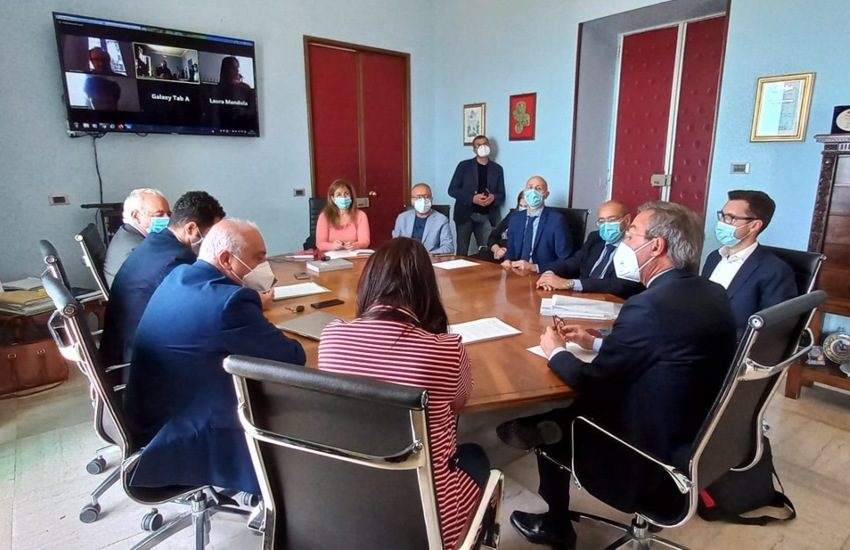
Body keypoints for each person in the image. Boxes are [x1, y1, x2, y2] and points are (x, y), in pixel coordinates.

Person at [497, 201, 737, 549]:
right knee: (562, 415)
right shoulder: (711, 293)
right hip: (698, 436)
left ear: (656, 246)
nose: (624, 240)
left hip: (646, 452)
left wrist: (557, 351)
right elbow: (665, 348)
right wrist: (596, 342)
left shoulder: (648, 305)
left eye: (631, 234)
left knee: (553, 426)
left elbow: (593, 383)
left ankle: (555, 525)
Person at [318, 237, 488, 550]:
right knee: (475, 455)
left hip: (350, 505)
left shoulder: (332, 336)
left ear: (369, 282)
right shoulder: (445, 349)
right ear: (427, 289)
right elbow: (460, 401)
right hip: (431, 524)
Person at [124, 220, 306, 495]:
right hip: (190, 434)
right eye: (258, 258)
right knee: (302, 403)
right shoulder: (230, 303)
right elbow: (292, 358)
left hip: (150, 413)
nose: (264, 265)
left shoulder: (178, 276)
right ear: (226, 259)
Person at [99, 191, 226, 370]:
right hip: (143, 364)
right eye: (212, 234)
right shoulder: (176, 260)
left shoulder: (154, 243)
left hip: (129, 348)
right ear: (190, 228)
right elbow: (205, 309)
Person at [702, 190, 797, 336]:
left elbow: (772, 331)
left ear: (754, 226)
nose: (721, 222)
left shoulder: (775, 271)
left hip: (730, 344)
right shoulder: (714, 257)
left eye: (730, 218)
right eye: (722, 215)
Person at [536, 199, 645, 299]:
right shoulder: (595, 238)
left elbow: (619, 285)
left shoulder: (635, 246)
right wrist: (549, 275)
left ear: (627, 220)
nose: (606, 225)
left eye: (611, 220)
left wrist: (570, 283)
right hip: (583, 297)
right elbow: (571, 264)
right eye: (602, 221)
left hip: (612, 302)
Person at [501, 176, 572, 273]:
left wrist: (535, 267)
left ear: (546, 195)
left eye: (538, 188)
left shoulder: (557, 220)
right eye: (530, 187)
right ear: (525, 192)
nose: (533, 192)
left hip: (542, 274)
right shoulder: (516, 218)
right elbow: (511, 248)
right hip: (516, 272)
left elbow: (564, 259)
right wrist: (507, 260)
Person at [448, 135, 505, 255]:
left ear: (489, 146)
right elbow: (452, 190)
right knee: (462, 251)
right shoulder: (464, 166)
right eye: (478, 145)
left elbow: (501, 194)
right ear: (474, 149)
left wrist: (493, 198)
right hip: (465, 215)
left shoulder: (497, 169)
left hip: (487, 216)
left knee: (487, 251)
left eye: (485, 144)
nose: (482, 147)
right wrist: (472, 198)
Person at [103, 188, 171, 287]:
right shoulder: (137, 248)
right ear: (136, 216)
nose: (167, 219)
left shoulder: (125, 232)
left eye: (168, 214)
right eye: (159, 215)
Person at [391, 183, 454, 254]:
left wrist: (425, 255)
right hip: (406, 258)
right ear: (412, 200)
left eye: (427, 197)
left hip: (429, 258)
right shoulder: (402, 218)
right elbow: (395, 244)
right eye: (419, 197)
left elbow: (448, 248)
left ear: (431, 199)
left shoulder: (441, 220)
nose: (423, 200)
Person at [315, 179, 370, 252]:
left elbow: (365, 241)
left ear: (351, 196)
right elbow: (320, 244)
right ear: (333, 199)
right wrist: (333, 246)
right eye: (339, 195)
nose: (343, 198)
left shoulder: (361, 215)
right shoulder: (324, 216)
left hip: (353, 255)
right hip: (331, 256)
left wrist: (355, 245)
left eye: (346, 194)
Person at [473, 190, 525, 262]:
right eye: (521, 206)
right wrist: (496, 249)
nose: (522, 209)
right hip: (495, 252)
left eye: (526, 206)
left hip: (511, 258)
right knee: (469, 261)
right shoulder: (512, 215)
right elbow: (493, 236)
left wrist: (505, 251)